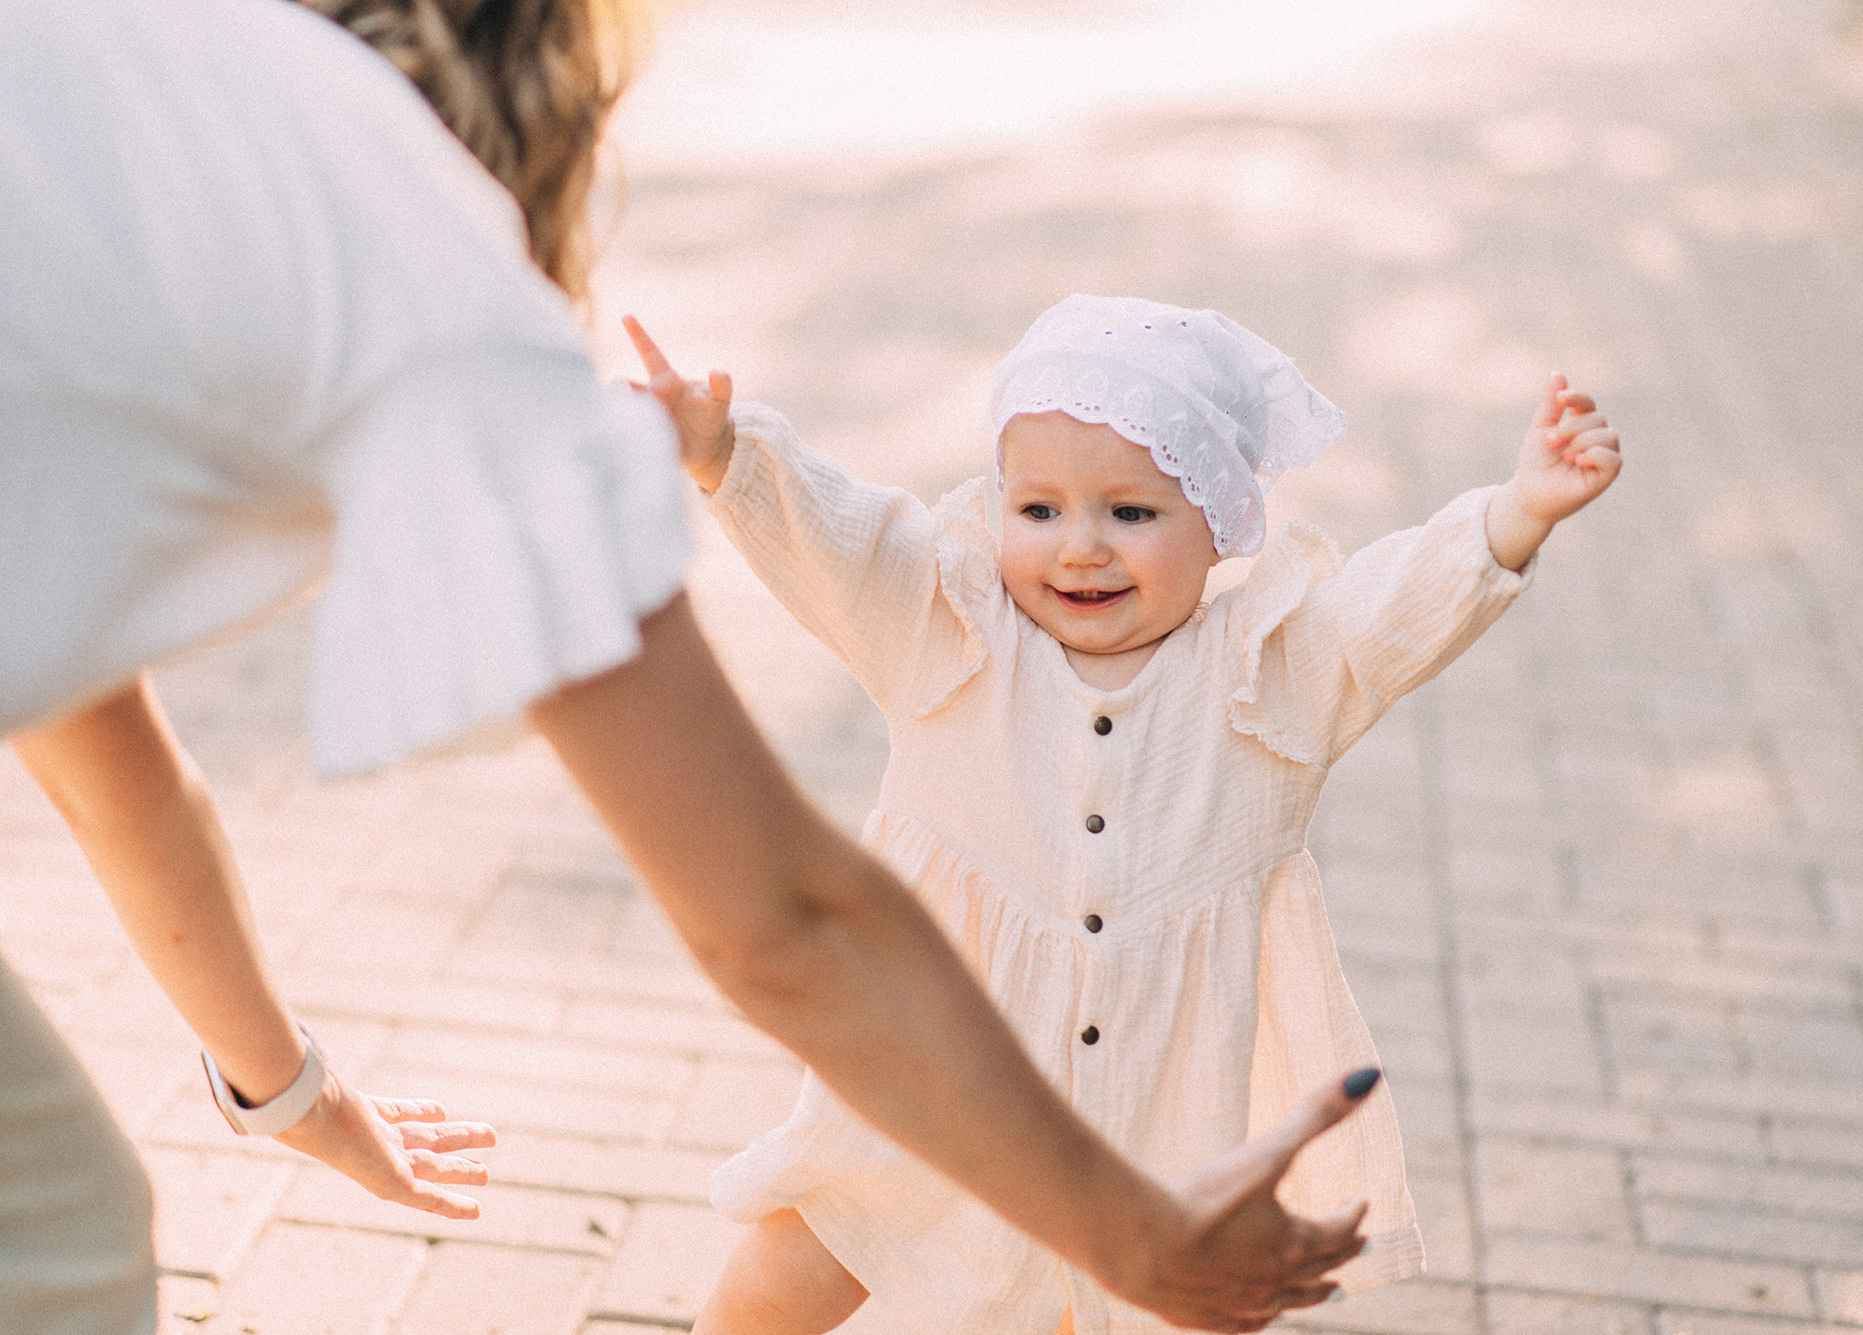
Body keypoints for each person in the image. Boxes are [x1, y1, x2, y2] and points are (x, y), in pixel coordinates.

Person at [0, 3, 1381, 1332]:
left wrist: (287, 1090)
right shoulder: (429, 266)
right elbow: (780, 914)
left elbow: (98, 737)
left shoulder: (141, 73)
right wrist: (1130, 1229)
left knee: (63, 1221)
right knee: (59, 1243)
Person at [624, 292, 1624, 1334]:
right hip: (941, 1065)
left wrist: (1517, 510)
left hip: (1156, 1101)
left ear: (1220, 525)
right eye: (1038, 509)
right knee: (814, 1242)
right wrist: (724, 454)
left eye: (1131, 513)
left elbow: (1391, 606)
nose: (1079, 549)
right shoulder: (948, 630)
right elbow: (843, 541)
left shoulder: (1269, 672)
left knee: (1110, 1307)